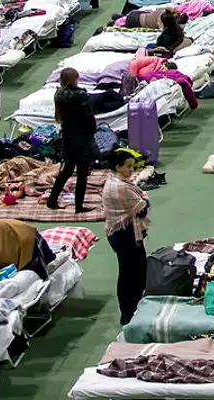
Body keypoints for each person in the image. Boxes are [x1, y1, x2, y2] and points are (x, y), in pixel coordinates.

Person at [103, 148, 150, 325]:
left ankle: (133, 308)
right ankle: (128, 313)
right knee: (130, 274)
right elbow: (142, 205)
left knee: (136, 271)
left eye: (133, 166)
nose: (132, 170)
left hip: (124, 234)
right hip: (125, 236)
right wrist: (144, 201)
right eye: (129, 166)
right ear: (118, 167)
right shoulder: (120, 187)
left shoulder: (117, 182)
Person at [46, 68, 95, 212]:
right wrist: (92, 130)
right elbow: (88, 116)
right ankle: (78, 205)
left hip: (67, 136)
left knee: (67, 170)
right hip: (82, 136)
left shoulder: (58, 95)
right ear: (76, 78)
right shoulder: (81, 96)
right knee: (82, 172)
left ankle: (52, 200)